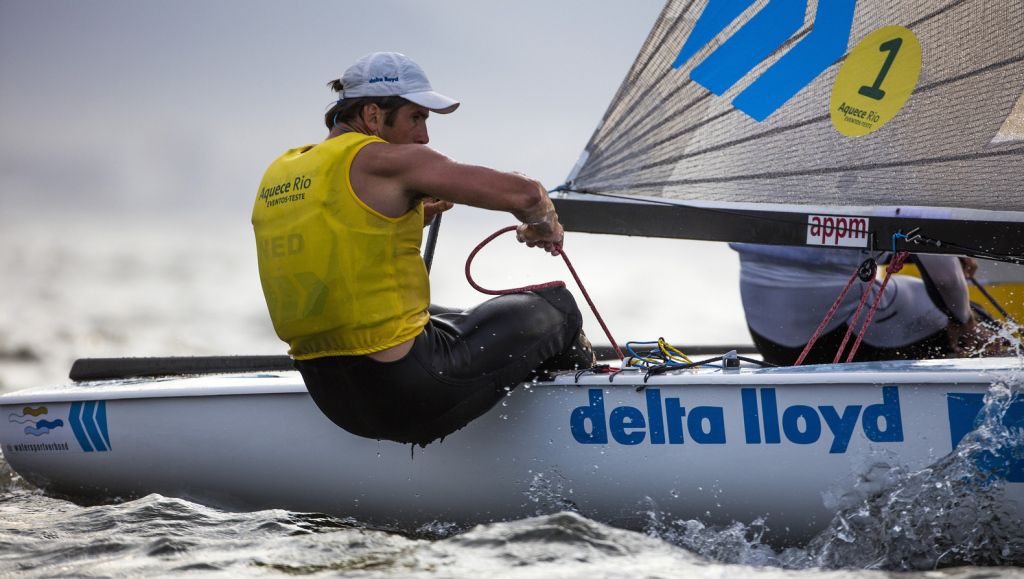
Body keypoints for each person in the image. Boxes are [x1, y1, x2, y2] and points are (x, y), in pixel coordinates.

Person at [252, 52, 593, 446]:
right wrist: (543, 225)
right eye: (416, 117)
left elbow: (337, 241)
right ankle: (582, 413)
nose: (424, 136)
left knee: (449, 316)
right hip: (409, 391)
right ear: (374, 116)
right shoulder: (380, 160)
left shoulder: (284, 171)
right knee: (557, 307)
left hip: (334, 399)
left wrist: (414, 217)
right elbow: (526, 193)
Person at [730, 243, 994, 366]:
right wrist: (966, 322)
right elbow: (947, 279)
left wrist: (911, 252)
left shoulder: (780, 157)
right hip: (836, 337)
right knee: (970, 317)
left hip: (771, 340)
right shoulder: (896, 163)